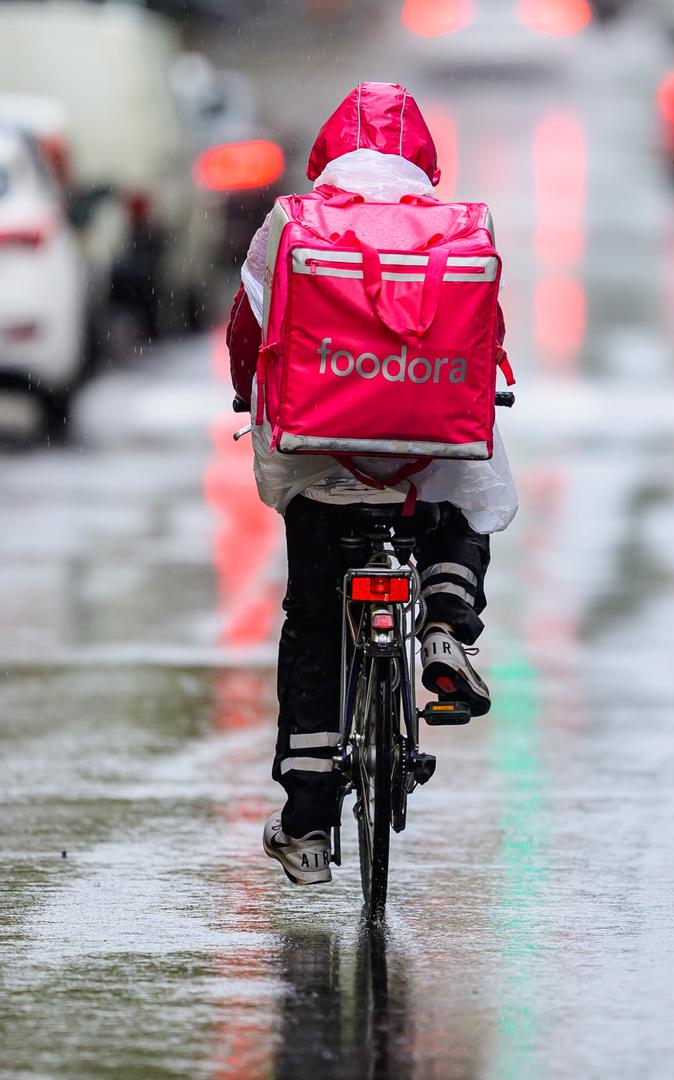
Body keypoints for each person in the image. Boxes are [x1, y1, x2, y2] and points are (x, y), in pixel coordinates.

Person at [226, 83, 517, 885]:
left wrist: (243, 383)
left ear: (328, 151)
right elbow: (485, 341)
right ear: (421, 157)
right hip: (422, 468)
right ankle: (447, 620)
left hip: (321, 461)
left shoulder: (292, 222)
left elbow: (248, 323)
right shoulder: (457, 228)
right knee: (469, 470)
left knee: (315, 623)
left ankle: (310, 824)